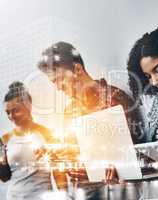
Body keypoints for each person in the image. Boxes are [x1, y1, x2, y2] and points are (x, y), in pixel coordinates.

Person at [37, 42, 141, 199]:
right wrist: (54, 156)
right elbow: (69, 157)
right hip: (82, 193)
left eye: (58, 79)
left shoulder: (115, 99)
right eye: (53, 82)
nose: (57, 88)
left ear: (77, 69)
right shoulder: (69, 111)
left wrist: (117, 165)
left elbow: (135, 151)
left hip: (117, 192)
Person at [0, 81, 65, 200]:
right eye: (7, 112)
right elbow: (4, 177)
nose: (11, 116)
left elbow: (58, 172)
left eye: (15, 110)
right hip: (13, 196)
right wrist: (2, 163)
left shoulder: (47, 134)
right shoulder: (4, 139)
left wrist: (64, 195)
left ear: (28, 106)